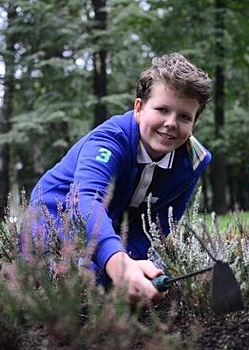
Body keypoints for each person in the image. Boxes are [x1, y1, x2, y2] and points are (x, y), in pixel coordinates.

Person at [30, 53, 212, 306]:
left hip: (112, 224)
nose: (171, 123)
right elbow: (86, 200)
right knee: (75, 282)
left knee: (150, 276)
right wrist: (117, 262)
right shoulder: (109, 140)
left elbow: (157, 225)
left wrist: (132, 260)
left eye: (185, 117)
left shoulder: (194, 161)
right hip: (57, 217)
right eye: (162, 109)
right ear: (139, 108)